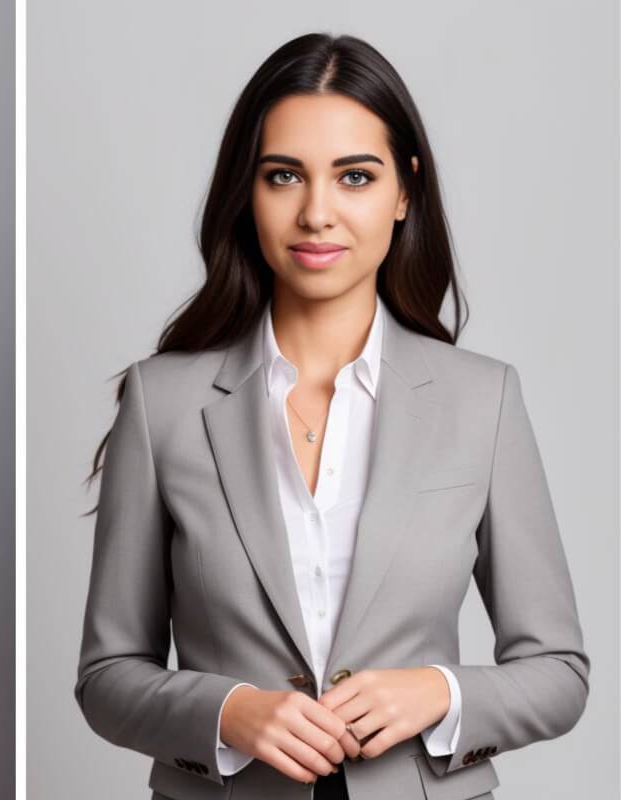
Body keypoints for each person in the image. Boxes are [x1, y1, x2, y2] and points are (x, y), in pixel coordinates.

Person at [76, 33, 587, 800]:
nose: (317, 213)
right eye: (284, 176)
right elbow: (107, 676)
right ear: (247, 193)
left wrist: (440, 693)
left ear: (404, 191)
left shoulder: (484, 400)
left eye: (355, 176)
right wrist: (230, 712)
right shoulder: (163, 403)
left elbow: (559, 673)